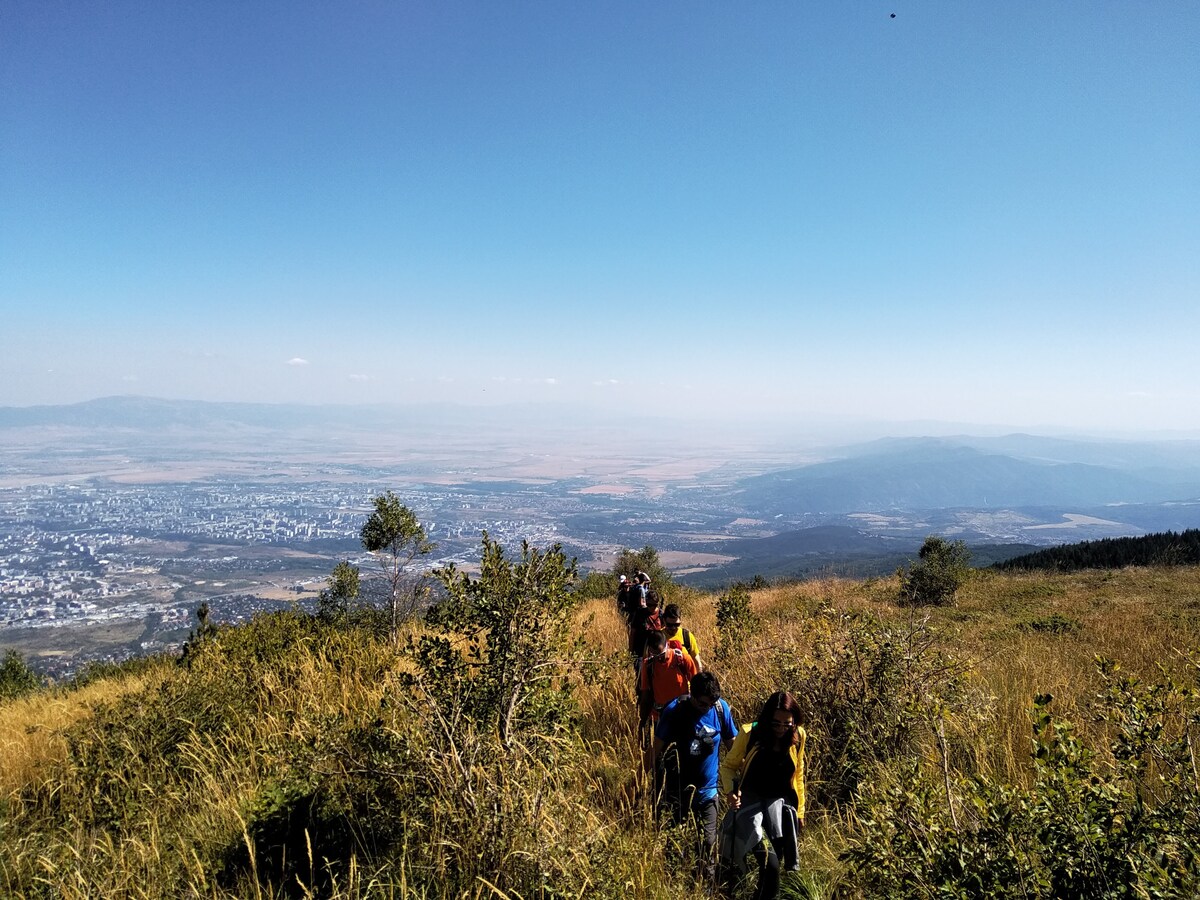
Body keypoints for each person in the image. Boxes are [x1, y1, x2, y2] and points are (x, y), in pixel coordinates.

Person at [651, 671, 738, 885]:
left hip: (708, 791)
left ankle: (704, 886)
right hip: (677, 791)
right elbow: (655, 750)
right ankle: (673, 885)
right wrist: (639, 783)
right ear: (692, 694)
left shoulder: (720, 709)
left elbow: (733, 748)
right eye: (702, 704)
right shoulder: (674, 710)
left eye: (711, 703)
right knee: (675, 844)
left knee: (708, 842)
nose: (707, 708)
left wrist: (741, 779)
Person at [719, 692, 807, 900]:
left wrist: (800, 811)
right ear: (767, 719)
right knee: (771, 864)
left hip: (779, 811)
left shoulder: (798, 736)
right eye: (776, 723)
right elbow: (729, 766)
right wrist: (731, 793)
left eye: (787, 724)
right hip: (750, 808)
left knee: (771, 871)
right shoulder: (750, 733)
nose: (781, 729)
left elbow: (799, 773)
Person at [638, 630, 697, 730]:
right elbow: (645, 694)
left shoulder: (683, 659)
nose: (658, 659)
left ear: (667, 646)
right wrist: (642, 722)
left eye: (661, 655)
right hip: (659, 716)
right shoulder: (648, 665)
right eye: (654, 655)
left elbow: (697, 687)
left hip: (682, 714)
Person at [661, 603, 702, 670]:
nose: (673, 628)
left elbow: (696, 661)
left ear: (680, 620)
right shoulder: (658, 637)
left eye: (677, 624)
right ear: (664, 621)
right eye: (670, 625)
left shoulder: (687, 636)